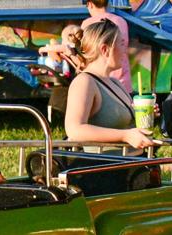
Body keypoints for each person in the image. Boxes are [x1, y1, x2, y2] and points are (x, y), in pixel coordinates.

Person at [65, 20, 159, 151]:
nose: (125, 51)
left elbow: (124, 124)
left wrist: (144, 114)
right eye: (121, 44)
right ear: (105, 49)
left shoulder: (115, 82)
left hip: (133, 163)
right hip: (106, 168)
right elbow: (74, 130)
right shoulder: (84, 82)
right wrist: (125, 136)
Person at [82, 0, 131, 93]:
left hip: (99, 82)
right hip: (123, 82)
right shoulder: (121, 21)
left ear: (90, 4)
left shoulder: (87, 24)